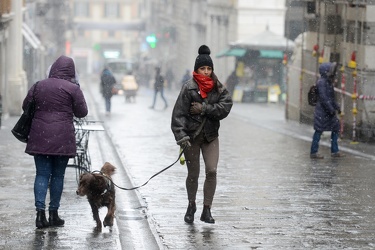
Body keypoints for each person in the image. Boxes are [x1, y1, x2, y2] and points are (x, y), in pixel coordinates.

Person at [22, 55, 88, 229]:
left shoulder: (39, 85)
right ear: (71, 71)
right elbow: (82, 112)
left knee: (42, 174)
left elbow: (25, 106)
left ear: (53, 69)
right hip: (62, 138)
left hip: (40, 136)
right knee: (58, 176)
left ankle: (39, 215)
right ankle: (54, 214)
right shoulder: (73, 88)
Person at [171, 45, 233, 224]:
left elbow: (226, 106)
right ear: (196, 69)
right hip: (191, 138)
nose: (206, 72)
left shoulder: (218, 87)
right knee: (193, 174)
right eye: (202, 68)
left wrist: (205, 108)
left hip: (210, 136)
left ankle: (207, 209)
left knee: (212, 171)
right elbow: (178, 115)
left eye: (209, 68)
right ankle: (191, 205)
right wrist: (181, 136)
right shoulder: (188, 88)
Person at [310, 62, 345, 159]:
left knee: (335, 128)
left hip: (327, 112)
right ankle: (314, 152)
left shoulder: (328, 82)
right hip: (322, 112)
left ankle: (335, 150)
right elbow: (324, 98)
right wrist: (331, 109)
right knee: (318, 131)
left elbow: (331, 98)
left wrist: (337, 108)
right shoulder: (322, 82)